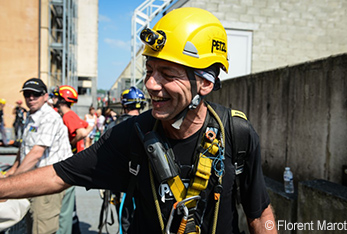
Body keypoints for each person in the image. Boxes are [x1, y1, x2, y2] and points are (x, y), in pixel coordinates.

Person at [0, 8, 277, 234]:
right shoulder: (132, 135)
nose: (150, 84)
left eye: (167, 73)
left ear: (205, 83)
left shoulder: (236, 133)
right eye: (149, 70)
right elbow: (59, 174)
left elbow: (259, 212)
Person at [4, 78, 73, 234]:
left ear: (45, 96)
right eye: (27, 94)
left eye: (36, 94)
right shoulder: (31, 115)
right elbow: (24, 147)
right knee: (31, 224)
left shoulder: (48, 117)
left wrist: (11, 181)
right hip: (34, 179)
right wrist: (13, 169)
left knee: (42, 228)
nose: (31, 98)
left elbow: (36, 153)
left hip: (47, 180)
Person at [101, 86, 147, 234]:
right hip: (143, 183)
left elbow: (103, 155)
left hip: (120, 185)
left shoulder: (114, 126)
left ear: (124, 105)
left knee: (125, 224)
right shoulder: (149, 125)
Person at [51, 85, 94, 234]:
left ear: (62, 99)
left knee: (64, 205)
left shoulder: (67, 115)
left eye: (56, 96)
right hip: (71, 159)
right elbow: (88, 127)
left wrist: (70, 143)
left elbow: (82, 132)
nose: (54, 98)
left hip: (67, 161)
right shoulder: (70, 114)